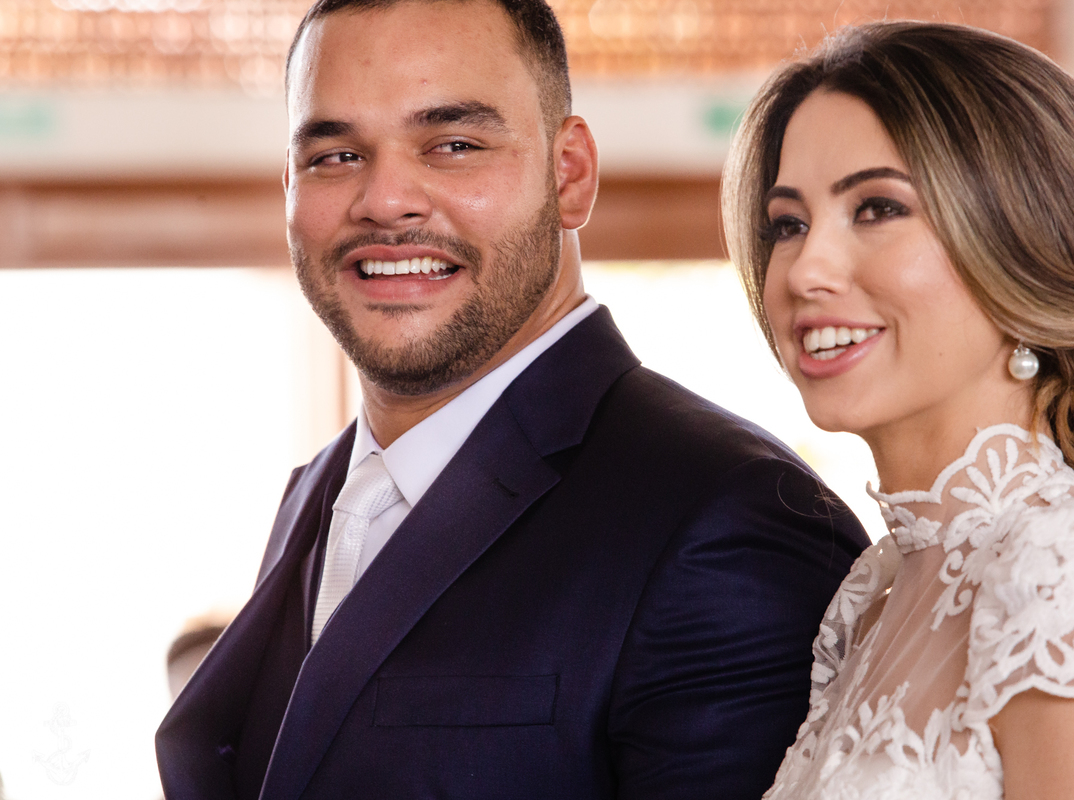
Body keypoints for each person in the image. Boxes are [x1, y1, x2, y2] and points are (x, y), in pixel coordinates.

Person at [154, 1, 869, 797]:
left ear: (570, 174)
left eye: (454, 145)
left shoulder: (729, 518)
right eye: (336, 156)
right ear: (290, 186)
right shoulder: (319, 491)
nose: (384, 200)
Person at [721, 21, 1074, 800]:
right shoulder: (874, 594)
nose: (806, 270)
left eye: (877, 208)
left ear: (1022, 246)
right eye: (789, 224)